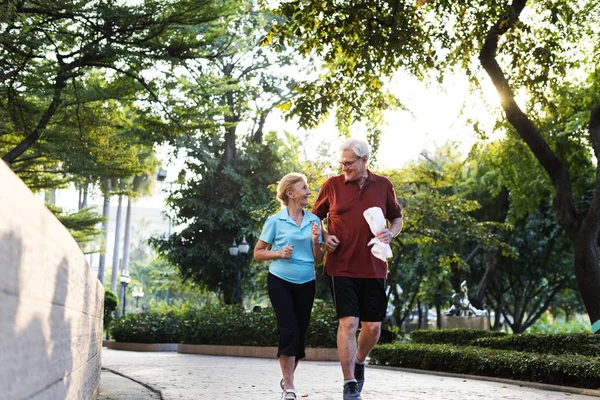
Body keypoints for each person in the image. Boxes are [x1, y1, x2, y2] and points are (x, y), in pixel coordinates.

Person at [312, 138, 403, 400]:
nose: (344, 167)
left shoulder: (383, 185)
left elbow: (397, 216)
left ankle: (360, 360)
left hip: (374, 265)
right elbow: (314, 217)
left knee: (372, 327)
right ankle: (349, 382)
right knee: (349, 322)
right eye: (341, 162)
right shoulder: (332, 185)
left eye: (349, 163)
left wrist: (391, 233)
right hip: (341, 265)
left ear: (365, 161)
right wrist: (324, 237)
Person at [254, 172, 324, 400]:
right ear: (290, 193)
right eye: (304, 188)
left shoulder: (315, 221)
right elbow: (258, 252)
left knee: (300, 333)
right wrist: (279, 253)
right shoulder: (275, 221)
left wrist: (316, 243)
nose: (309, 192)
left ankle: (288, 380)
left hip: (307, 282)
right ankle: (290, 387)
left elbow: (318, 259)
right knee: (288, 329)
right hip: (280, 280)